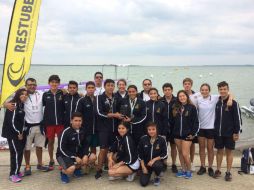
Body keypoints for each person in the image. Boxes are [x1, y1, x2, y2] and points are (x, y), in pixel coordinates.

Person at [196, 83, 233, 176]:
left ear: (209, 90)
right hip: (200, 128)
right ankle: (203, 166)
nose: (204, 91)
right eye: (202, 90)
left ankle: (210, 167)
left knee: (210, 149)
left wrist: (231, 99)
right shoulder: (198, 99)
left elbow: (228, 93)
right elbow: (186, 98)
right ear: (200, 91)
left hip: (211, 128)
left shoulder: (215, 97)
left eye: (206, 90)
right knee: (201, 148)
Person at [56, 112, 96, 183]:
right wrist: (74, 157)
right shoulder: (65, 132)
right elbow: (61, 149)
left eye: (79, 121)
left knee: (93, 157)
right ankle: (63, 172)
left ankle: (76, 169)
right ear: (71, 121)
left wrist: (85, 155)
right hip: (63, 155)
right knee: (71, 168)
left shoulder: (83, 130)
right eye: (76, 120)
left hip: (77, 153)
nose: (78, 123)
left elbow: (85, 144)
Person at [213, 81, 241, 181]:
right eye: (221, 89)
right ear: (218, 90)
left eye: (224, 89)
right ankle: (218, 170)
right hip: (218, 133)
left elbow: (238, 118)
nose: (222, 91)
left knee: (229, 152)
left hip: (230, 133)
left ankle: (228, 172)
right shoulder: (217, 102)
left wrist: (236, 132)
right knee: (219, 152)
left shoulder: (233, 103)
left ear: (228, 90)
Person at [95, 79, 122, 179]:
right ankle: (98, 169)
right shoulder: (99, 98)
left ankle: (112, 168)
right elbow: (98, 112)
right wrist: (114, 115)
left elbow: (122, 109)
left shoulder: (117, 97)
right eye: (108, 85)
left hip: (116, 129)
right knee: (103, 149)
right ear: (104, 86)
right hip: (104, 129)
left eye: (112, 85)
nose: (110, 87)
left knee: (114, 150)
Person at [171, 90, 199, 179]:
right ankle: (183, 170)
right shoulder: (175, 108)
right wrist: (173, 131)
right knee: (180, 152)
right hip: (177, 135)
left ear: (186, 96)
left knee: (185, 154)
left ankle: (188, 171)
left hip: (187, 135)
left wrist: (193, 133)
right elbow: (172, 122)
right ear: (178, 98)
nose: (182, 97)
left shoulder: (192, 107)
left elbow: (196, 122)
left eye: (183, 96)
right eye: (180, 96)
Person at [1, 88, 28, 183]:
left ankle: (17, 171)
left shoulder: (21, 104)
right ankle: (13, 174)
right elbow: (11, 122)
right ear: (17, 95)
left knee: (19, 152)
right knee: (16, 153)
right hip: (13, 134)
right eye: (22, 94)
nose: (24, 96)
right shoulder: (13, 104)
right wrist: (18, 133)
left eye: (26, 94)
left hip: (18, 133)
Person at [42, 75, 65, 170]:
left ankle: (61, 160)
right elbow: (40, 107)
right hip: (49, 123)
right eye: (52, 82)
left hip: (60, 123)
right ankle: (51, 160)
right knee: (50, 142)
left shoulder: (62, 93)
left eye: (56, 82)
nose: (54, 84)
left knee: (61, 142)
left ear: (59, 84)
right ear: (49, 83)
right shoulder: (45, 95)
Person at [138, 122, 168, 186]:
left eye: (153, 129)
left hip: (156, 163)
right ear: (147, 130)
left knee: (158, 166)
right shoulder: (143, 139)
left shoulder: (162, 139)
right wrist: (143, 167)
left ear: (157, 129)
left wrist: (154, 160)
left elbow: (165, 154)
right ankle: (149, 172)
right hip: (146, 164)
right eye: (149, 129)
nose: (151, 131)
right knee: (143, 183)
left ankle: (157, 176)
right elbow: (140, 155)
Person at [75, 81, 98, 161]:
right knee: (84, 147)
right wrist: (80, 127)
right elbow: (78, 115)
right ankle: (84, 164)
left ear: (95, 89)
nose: (91, 89)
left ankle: (91, 163)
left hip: (95, 129)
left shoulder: (97, 99)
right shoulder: (81, 101)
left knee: (93, 147)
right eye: (89, 88)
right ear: (86, 89)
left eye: (92, 88)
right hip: (85, 129)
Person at [160, 83, 178, 173]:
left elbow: (178, 114)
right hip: (163, 128)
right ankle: (164, 163)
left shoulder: (176, 100)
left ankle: (174, 164)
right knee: (164, 147)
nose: (167, 91)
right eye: (165, 90)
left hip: (174, 128)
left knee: (173, 147)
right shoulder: (160, 100)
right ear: (163, 91)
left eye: (169, 89)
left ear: (172, 90)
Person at [183, 78, 200, 171]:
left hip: (193, 123)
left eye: (188, 84)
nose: (187, 85)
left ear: (191, 85)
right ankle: (186, 163)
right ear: (183, 85)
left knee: (192, 144)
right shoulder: (181, 95)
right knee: (185, 147)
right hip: (184, 125)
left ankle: (192, 162)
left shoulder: (197, 95)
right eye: (185, 84)